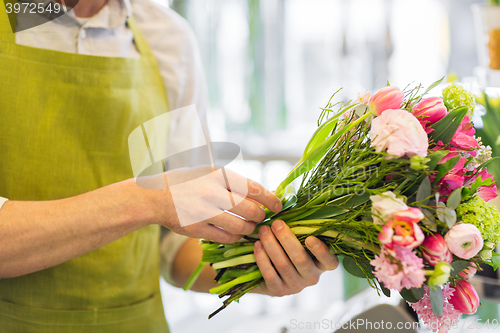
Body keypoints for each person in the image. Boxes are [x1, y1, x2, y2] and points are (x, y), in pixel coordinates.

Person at [0, 0, 339, 332]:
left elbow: (175, 244)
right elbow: (163, 202)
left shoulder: (168, 37)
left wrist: (257, 271)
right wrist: (149, 200)